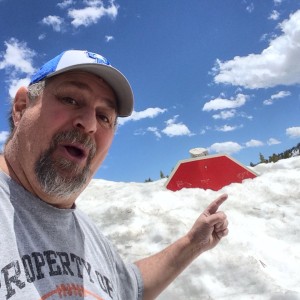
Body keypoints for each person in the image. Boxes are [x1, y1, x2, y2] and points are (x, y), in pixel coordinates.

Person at [0, 49, 229, 300]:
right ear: (21, 108)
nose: (89, 124)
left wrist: (192, 243)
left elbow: (131, 288)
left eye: (104, 117)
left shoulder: (88, 234)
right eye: (70, 99)